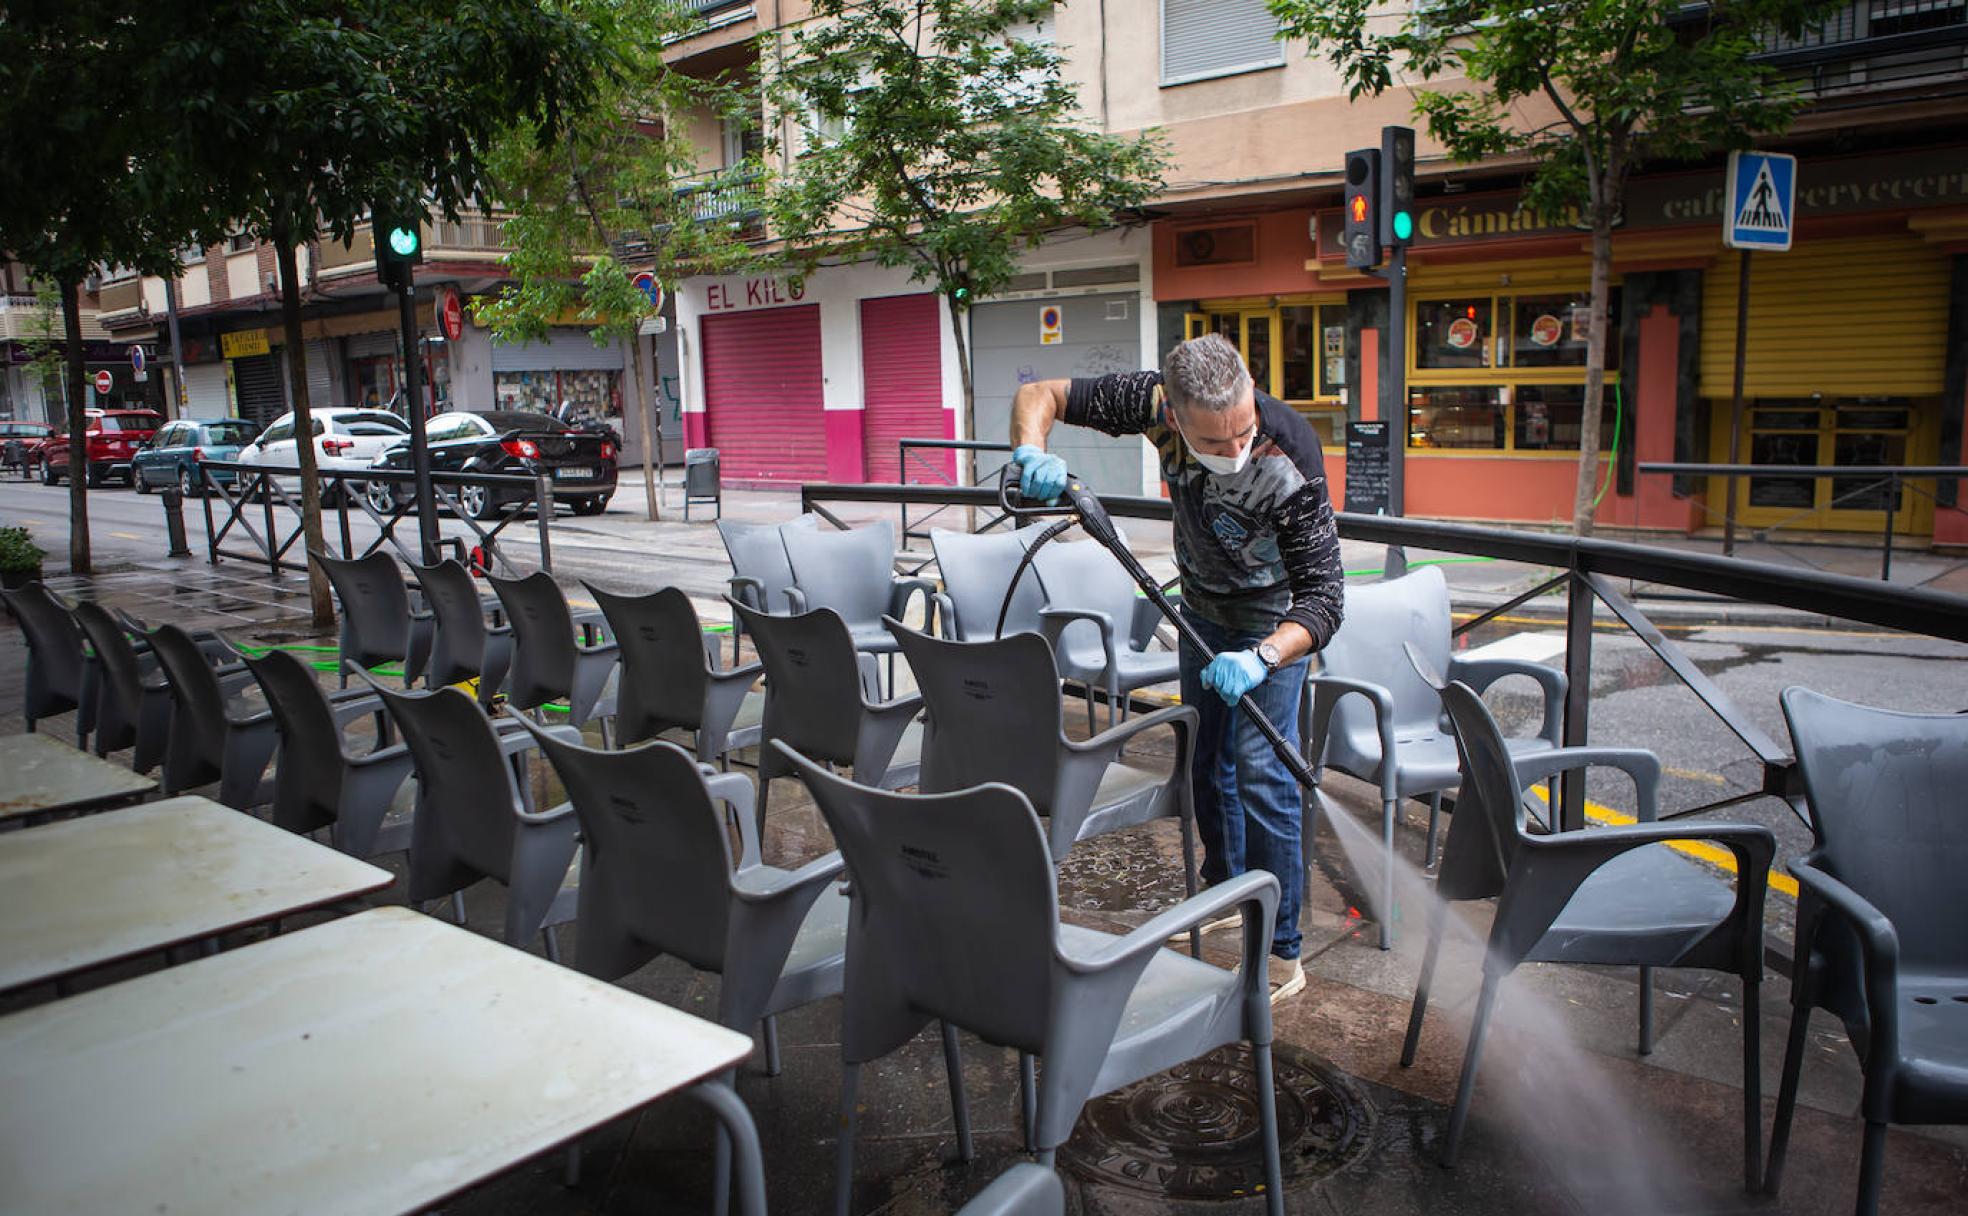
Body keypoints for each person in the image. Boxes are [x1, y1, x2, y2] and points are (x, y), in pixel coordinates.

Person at [1009, 333, 1344, 1002]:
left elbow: (1326, 598)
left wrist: (1263, 658)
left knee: (1263, 775)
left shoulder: (1292, 454)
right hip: (1199, 611)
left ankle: (1281, 952)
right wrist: (1031, 450)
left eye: (1244, 431)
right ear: (1173, 418)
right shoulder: (1148, 400)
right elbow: (1037, 393)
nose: (1236, 450)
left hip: (1272, 626)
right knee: (1206, 760)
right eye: (1216, 443)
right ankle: (1226, 887)